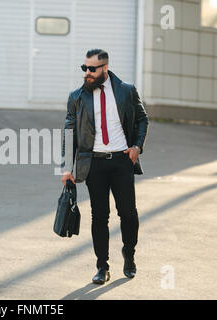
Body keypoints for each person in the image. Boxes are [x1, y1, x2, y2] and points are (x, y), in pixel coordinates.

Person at [61, 49, 149, 285]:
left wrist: (136, 147)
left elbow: (142, 119)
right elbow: (69, 133)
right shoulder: (77, 97)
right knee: (99, 216)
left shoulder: (126, 91)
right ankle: (102, 266)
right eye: (84, 68)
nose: (87, 73)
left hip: (122, 161)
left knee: (128, 214)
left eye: (92, 69)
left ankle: (129, 255)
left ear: (105, 69)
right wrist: (66, 167)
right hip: (94, 163)